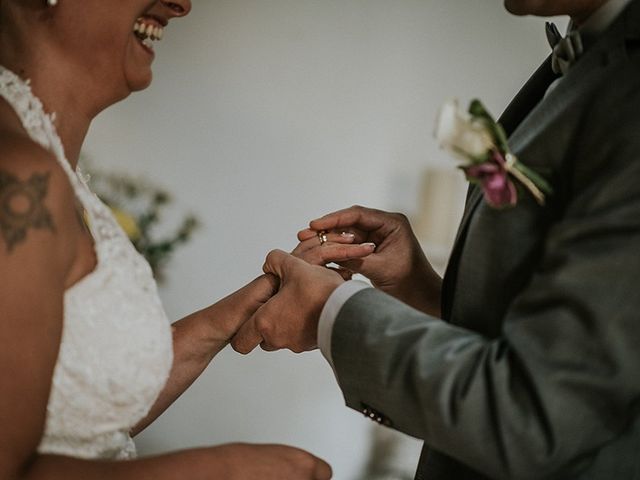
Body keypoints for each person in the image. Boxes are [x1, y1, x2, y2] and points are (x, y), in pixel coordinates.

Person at [232, 0, 640, 478]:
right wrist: (418, 286)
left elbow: (534, 414)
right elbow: (527, 331)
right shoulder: (585, 57)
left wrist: (330, 313)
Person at [0, 1, 333, 479]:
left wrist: (257, 297)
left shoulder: (48, 163)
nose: (181, 3)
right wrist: (225, 468)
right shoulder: (18, 178)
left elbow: (79, 417)